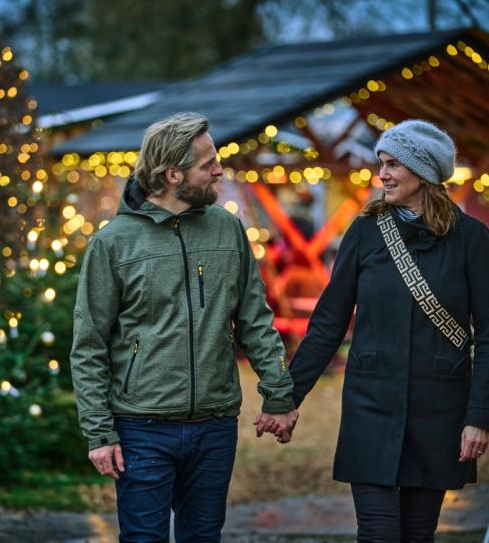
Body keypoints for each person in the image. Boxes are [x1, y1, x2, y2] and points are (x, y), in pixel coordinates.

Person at [70, 112, 299, 542]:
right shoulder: (112, 243)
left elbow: (255, 319)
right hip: (141, 427)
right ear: (173, 174)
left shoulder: (228, 229)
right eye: (207, 163)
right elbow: (89, 345)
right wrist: (99, 432)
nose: (219, 170)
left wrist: (279, 396)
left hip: (214, 424)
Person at [287, 119, 489, 542]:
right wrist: (286, 397)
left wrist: (478, 418)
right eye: (382, 162)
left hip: (440, 408)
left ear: (424, 171)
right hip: (371, 402)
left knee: (418, 534)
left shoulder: (471, 238)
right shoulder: (365, 231)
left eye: (394, 164)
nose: (383, 174)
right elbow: (329, 321)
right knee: (378, 532)